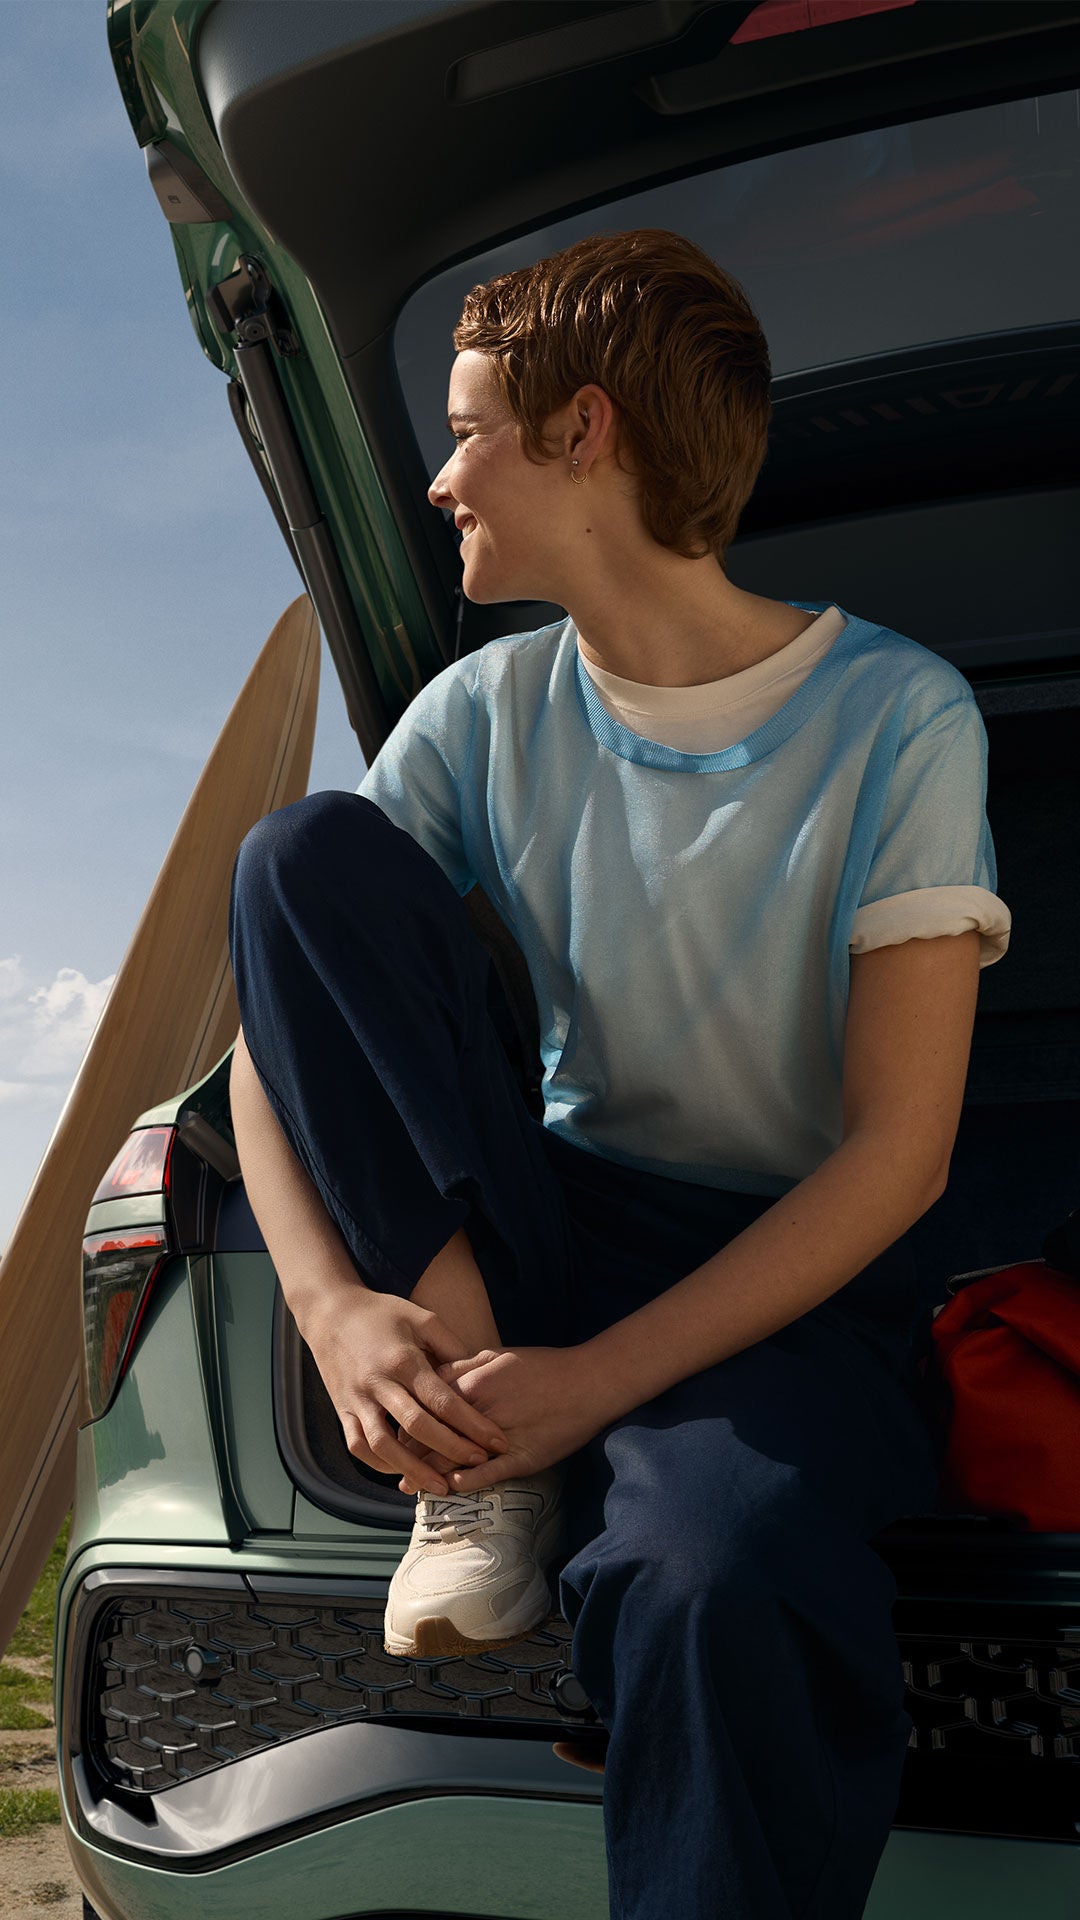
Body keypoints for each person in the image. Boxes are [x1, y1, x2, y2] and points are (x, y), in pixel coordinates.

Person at [227, 228, 1010, 1920]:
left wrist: (597, 1386)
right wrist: (332, 1308)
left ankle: (538, 1446)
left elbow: (898, 1162)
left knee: (712, 1571)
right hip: (543, 1232)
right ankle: (480, 1455)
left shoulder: (899, 716)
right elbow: (279, 1032)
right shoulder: (479, 713)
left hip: (792, 1282)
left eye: (471, 429)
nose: (439, 480)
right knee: (295, 860)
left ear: (587, 434)